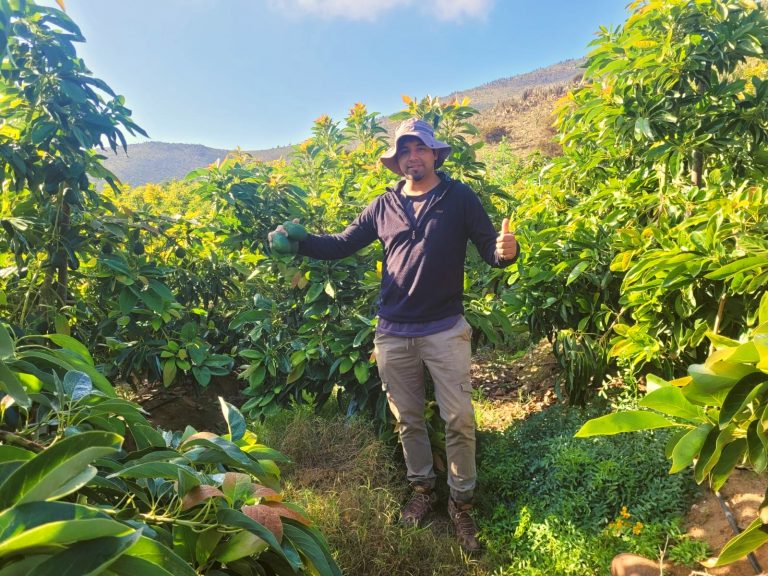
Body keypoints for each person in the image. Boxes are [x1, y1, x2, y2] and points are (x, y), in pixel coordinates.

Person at [269, 118, 519, 552]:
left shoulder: (458, 197)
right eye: (404, 151)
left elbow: (488, 249)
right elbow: (342, 243)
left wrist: (505, 254)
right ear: (397, 161)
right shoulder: (383, 205)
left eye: (419, 149)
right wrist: (301, 242)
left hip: (445, 329)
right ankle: (423, 490)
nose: (412, 157)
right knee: (408, 420)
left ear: (435, 154)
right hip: (393, 332)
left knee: (458, 417)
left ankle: (461, 503)